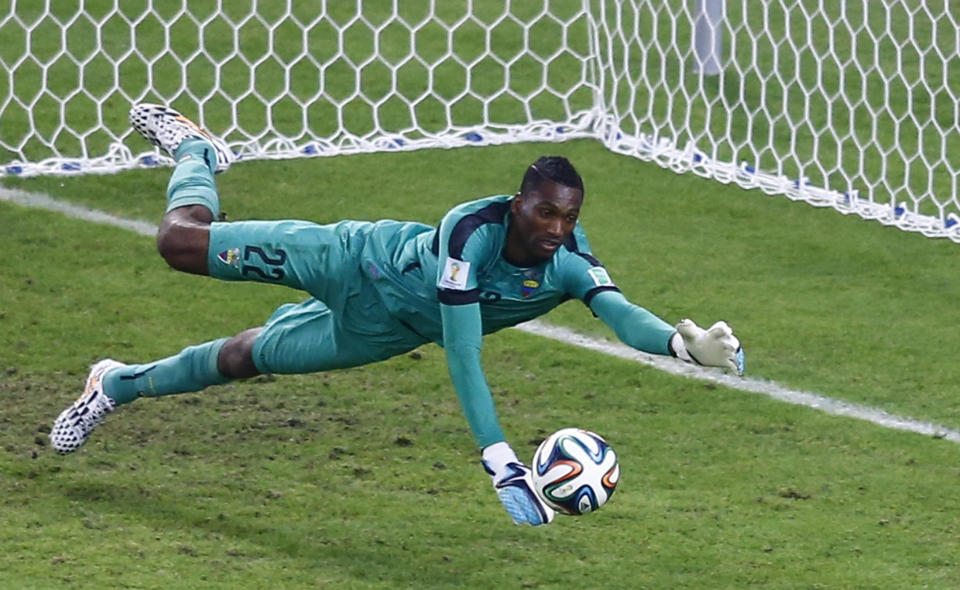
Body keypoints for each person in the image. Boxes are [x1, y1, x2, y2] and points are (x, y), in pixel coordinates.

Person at [50, 103, 745, 526]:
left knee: (243, 358)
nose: (557, 228)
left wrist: (680, 349)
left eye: (569, 216)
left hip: (377, 331)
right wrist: (501, 460)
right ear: (518, 203)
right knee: (177, 244)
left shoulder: (566, 260)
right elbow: (464, 351)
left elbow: (617, 312)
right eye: (545, 211)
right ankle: (197, 152)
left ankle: (113, 384)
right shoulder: (468, 234)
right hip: (350, 258)